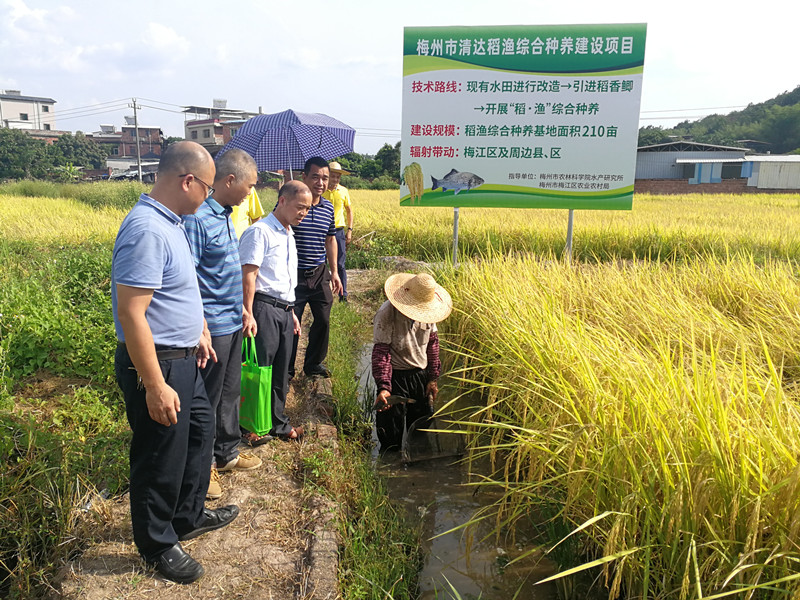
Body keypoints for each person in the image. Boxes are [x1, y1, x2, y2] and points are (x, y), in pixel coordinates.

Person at [112, 141, 239, 584]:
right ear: (187, 181)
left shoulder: (174, 224)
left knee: (199, 435)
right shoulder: (147, 229)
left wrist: (199, 329)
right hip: (159, 364)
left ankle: (187, 516)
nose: (207, 196)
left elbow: (179, 289)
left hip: (186, 355)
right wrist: (153, 384)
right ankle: (157, 542)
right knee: (159, 455)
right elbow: (132, 312)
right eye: (205, 187)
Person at [184, 148, 263, 502]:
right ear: (230, 181)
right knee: (208, 401)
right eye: (249, 185)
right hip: (212, 325)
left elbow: (226, 271)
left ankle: (227, 453)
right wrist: (200, 323)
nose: (251, 192)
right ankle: (205, 468)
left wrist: (245, 311)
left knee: (230, 393)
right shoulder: (198, 219)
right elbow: (190, 276)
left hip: (232, 319)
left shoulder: (226, 216)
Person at [240, 180, 312, 443]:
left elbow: (285, 280)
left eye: (307, 208)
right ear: (282, 201)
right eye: (299, 207)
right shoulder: (260, 231)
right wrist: (247, 312)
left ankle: (278, 424)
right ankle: (250, 426)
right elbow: (249, 274)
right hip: (263, 308)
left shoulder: (288, 233)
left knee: (281, 370)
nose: (303, 212)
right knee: (259, 370)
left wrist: (291, 310)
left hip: (283, 310)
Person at [372, 273, 452, 451]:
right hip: (395, 376)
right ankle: (390, 471)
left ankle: (418, 469)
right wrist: (384, 387)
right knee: (390, 435)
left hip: (420, 376)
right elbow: (381, 352)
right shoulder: (387, 313)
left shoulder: (428, 312)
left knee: (420, 431)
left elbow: (433, 344)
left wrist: (433, 378)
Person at [288, 157, 343, 379]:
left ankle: (313, 364)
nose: (321, 182)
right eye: (315, 177)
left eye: (325, 178)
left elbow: (331, 240)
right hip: (294, 276)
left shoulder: (328, 207)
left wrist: (335, 272)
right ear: (304, 177)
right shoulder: (290, 203)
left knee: (323, 319)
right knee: (291, 324)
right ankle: (287, 368)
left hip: (319, 273)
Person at [322, 161, 353, 302]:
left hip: (338, 231)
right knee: (321, 264)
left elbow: (349, 211)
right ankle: (322, 293)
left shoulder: (344, 191)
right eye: (332, 176)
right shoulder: (320, 191)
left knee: (340, 264)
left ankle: (343, 295)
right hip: (322, 230)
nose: (335, 180)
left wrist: (350, 230)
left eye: (337, 177)